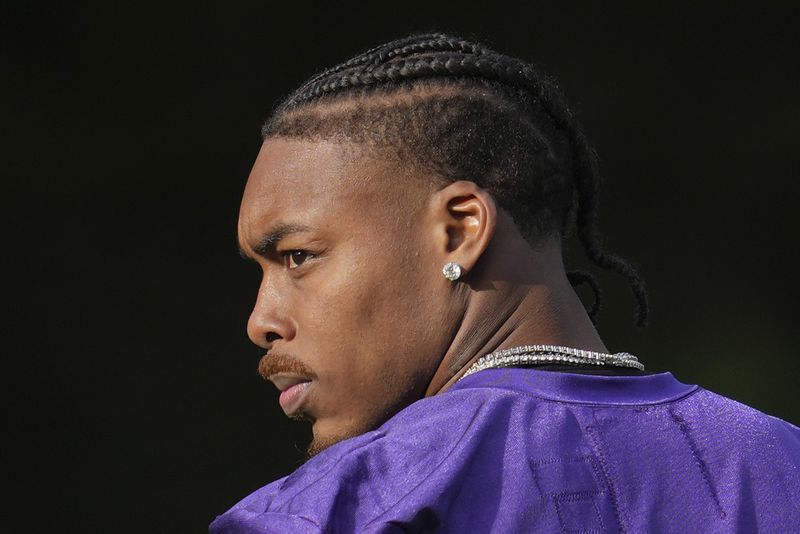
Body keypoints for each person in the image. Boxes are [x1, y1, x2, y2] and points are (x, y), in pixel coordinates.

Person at [211, 33, 800, 533]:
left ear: (461, 230)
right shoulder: (781, 464)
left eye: (297, 257)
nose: (260, 321)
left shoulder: (338, 511)